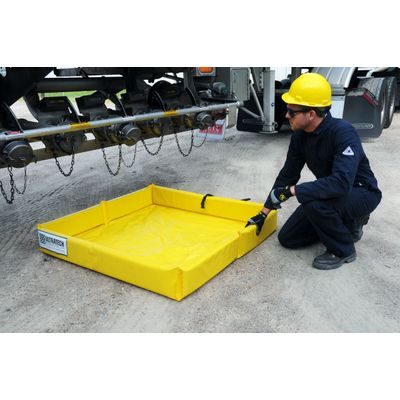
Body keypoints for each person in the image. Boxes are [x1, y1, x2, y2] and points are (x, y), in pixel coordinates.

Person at [246, 72, 382, 270]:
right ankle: (341, 225)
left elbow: (341, 183)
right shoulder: (299, 137)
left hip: (361, 192)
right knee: (288, 238)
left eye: (292, 112)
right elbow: (287, 175)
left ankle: (344, 249)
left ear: (311, 114)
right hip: (331, 194)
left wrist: (294, 191)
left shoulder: (343, 133)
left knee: (312, 203)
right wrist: (263, 212)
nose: (286, 115)